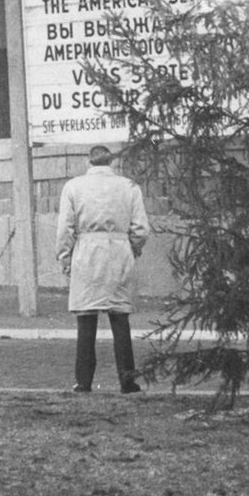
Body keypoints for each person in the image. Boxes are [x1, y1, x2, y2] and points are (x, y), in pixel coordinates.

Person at [55, 144, 150, 394]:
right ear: (111, 163)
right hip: (119, 251)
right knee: (120, 320)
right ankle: (127, 380)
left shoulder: (73, 187)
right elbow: (140, 228)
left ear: (89, 162)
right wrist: (132, 249)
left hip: (86, 253)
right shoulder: (129, 187)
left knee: (86, 321)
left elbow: (64, 228)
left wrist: (65, 256)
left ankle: (84, 382)